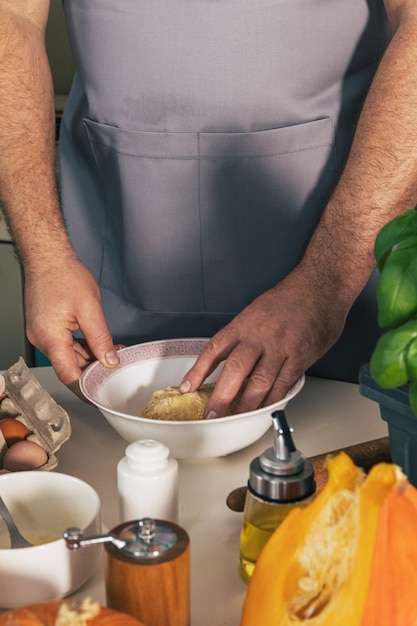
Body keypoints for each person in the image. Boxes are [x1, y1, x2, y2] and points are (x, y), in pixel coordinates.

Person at [1, 0, 417, 419]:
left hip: (346, 249)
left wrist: (328, 284)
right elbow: (11, 16)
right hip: (112, 250)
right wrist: (46, 254)